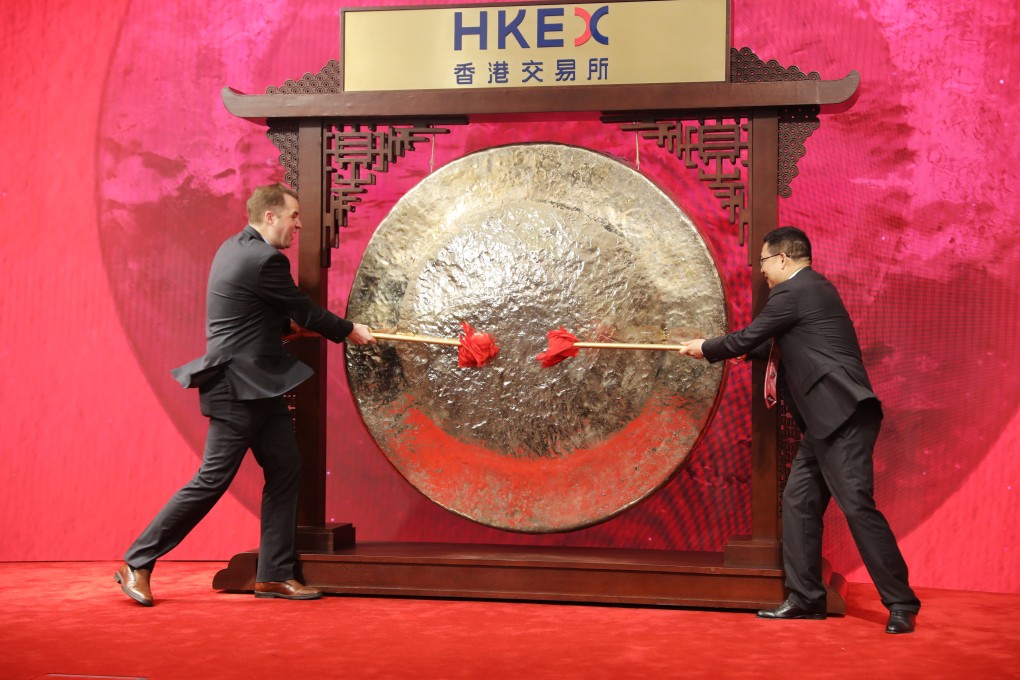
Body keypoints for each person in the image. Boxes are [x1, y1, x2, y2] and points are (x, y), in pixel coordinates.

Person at [115, 183, 375, 606]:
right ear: (269, 216)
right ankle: (137, 562)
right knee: (211, 481)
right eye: (294, 216)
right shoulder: (263, 259)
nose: (299, 225)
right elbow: (301, 308)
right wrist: (348, 330)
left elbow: (255, 315)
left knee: (287, 468)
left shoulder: (233, 248)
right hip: (237, 387)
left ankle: (273, 574)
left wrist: (291, 329)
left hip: (260, 386)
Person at [678, 226, 920, 634]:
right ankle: (806, 598)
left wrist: (708, 348)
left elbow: (752, 335)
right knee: (799, 503)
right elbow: (779, 344)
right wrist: (742, 352)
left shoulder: (794, 291)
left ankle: (901, 603)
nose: (761, 273)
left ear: (784, 259)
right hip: (824, 422)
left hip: (843, 416)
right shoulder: (808, 291)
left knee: (857, 507)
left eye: (764, 263)